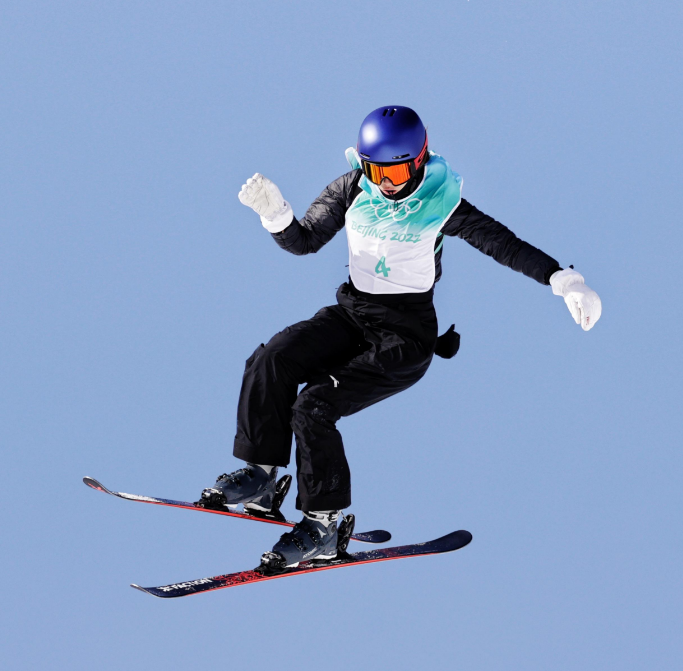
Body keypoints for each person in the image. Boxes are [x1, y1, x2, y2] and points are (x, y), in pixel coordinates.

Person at [198, 106, 601, 570]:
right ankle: (262, 476)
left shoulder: (441, 203)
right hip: (353, 314)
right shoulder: (352, 188)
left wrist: (562, 279)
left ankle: (323, 526)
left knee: (314, 406)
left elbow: (502, 244)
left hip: (405, 337)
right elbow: (304, 241)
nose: (387, 183)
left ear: (420, 160)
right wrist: (276, 216)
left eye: (398, 172)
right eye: (377, 171)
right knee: (272, 359)